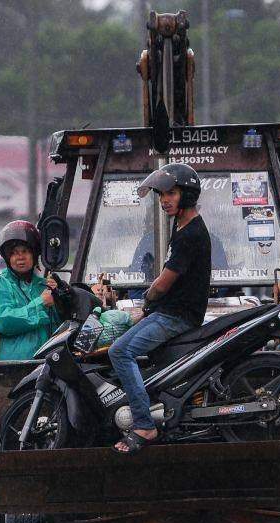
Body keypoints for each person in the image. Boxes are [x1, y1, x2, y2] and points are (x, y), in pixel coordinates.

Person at [109, 163, 212, 454]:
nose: (164, 199)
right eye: (161, 195)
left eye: (171, 193)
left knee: (120, 351)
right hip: (170, 312)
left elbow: (164, 284)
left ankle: (144, 424)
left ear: (187, 195)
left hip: (178, 317)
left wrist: (148, 301)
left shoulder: (189, 234)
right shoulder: (181, 226)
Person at [0, 220, 58, 508]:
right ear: (6, 257)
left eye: (25, 251)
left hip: (46, 371)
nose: (20, 257)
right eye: (14, 252)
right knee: (3, 436)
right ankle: (0, 501)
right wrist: (41, 305)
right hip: (9, 375)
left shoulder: (46, 286)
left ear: (35, 254)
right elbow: (5, 320)